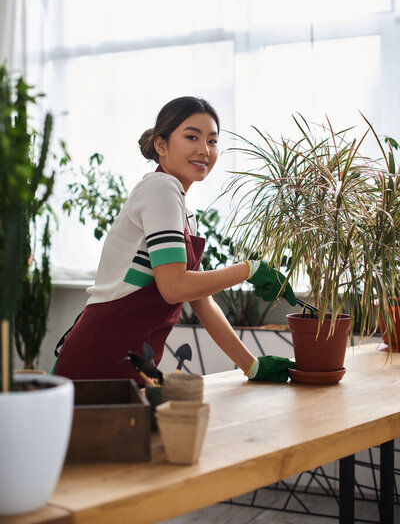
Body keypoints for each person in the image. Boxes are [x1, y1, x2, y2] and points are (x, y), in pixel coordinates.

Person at [53, 96, 296, 384]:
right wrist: (249, 270)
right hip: (103, 355)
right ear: (162, 145)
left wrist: (251, 365)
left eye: (212, 141)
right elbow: (174, 287)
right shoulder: (161, 187)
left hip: (131, 358)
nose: (204, 150)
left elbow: (202, 302)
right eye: (192, 137)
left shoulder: (184, 212)